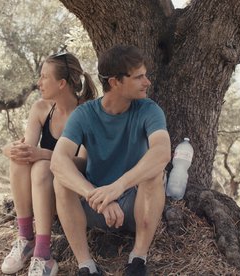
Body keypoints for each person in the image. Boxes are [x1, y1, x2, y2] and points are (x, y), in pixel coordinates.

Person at [50, 45, 171, 276]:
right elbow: (58, 161)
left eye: (145, 75)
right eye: (139, 77)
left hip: (136, 206)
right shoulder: (84, 114)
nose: (147, 82)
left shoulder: (149, 110)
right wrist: (95, 196)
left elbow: (162, 152)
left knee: (154, 173)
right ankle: (86, 266)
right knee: (61, 180)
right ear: (115, 82)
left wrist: (118, 187)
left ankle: (137, 259)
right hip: (95, 206)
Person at [1, 52, 98, 276]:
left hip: (73, 188)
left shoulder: (88, 112)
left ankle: (43, 254)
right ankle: (26, 238)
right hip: (42, 187)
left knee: (43, 165)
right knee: (20, 161)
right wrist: (9, 149)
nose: (39, 82)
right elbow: (26, 150)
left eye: (44, 77)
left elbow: (82, 162)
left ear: (62, 83)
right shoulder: (41, 109)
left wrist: (42, 154)